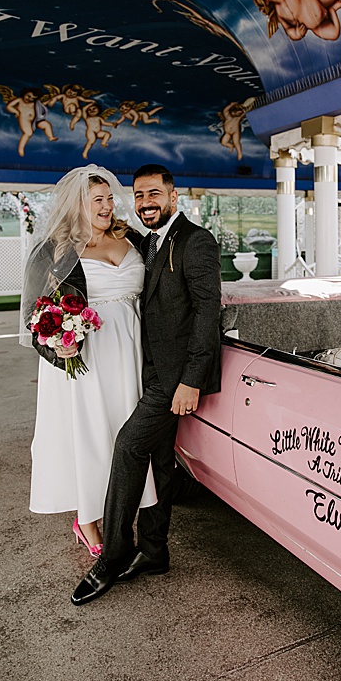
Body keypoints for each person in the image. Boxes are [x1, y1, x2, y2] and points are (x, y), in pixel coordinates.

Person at [71, 164, 223, 605]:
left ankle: (113, 555)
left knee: (128, 446)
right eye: (138, 196)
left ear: (174, 197)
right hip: (145, 369)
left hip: (174, 379)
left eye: (154, 194)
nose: (145, 203)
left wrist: (191, 381)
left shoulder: (197, 242)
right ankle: (154, 552)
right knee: (158, 458)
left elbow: (207, 316)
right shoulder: (146, 241)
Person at [21, 166, 156, 560]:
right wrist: (56, 347)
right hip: (87, 358)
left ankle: (125, 507)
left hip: (131, 351)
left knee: (127, 431)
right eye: (97, 200)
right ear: (77, 204)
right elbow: (35, 315)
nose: (107, 206)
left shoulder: (131, 238)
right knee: (93, 435)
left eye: (110, 198)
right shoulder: (55, 250)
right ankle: (89, 519)